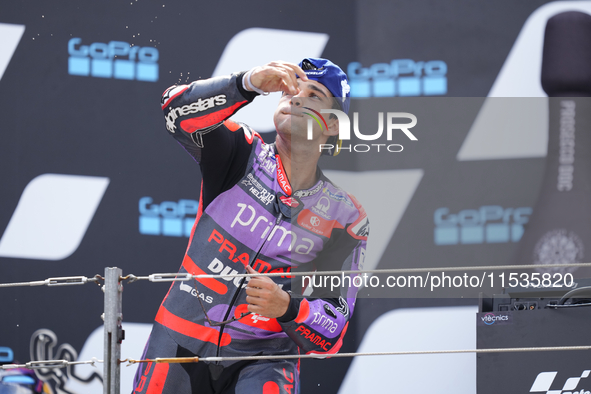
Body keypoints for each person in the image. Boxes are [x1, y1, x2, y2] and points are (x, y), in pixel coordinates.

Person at [132, 58, 369, 394]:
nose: (296, 98)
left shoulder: (345, 217)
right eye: (292, 89)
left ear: (332, 125)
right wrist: (247, 83)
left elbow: (332, 332)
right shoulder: (240, 150)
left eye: (314, 95)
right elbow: (175, 111)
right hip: (177, 343)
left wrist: (287, 307)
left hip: (265, 362)